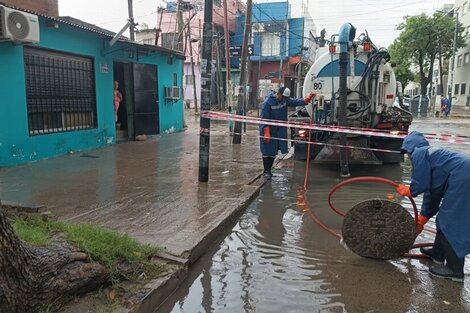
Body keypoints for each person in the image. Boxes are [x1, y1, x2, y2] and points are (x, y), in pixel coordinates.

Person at [395, 131, 470, 282]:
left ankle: (455, 270)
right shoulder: (431, 156)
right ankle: (438, 254)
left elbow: (420, 184)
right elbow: (432, 193)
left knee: (451, 221)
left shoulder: (420, 153)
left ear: (411, 147)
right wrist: (422, 219)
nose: (408, 156)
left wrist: (410, 190)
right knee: (443, 219)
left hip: (463, 178)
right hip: (461, 176)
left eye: (407, 152)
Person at [259, 87, 315, 178]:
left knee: (274, 150)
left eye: (286, 98)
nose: (284, 100)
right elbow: (264, 118)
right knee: (267, 150)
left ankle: (269, 171)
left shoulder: (285, 100)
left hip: (279, 130)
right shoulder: (268, 103)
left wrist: (305, 100)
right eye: (283, 97)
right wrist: (266, 131)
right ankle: (266, 171)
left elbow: (294, 101)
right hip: (269, 130)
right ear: (278, 94)